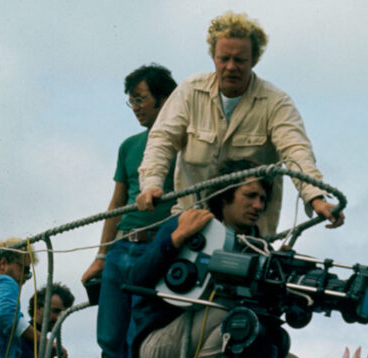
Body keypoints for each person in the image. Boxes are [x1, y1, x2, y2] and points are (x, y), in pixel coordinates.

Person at [97, 159, 303, 358]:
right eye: (250, 196)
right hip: (160, 346)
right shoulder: (189, 221)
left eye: (263, 199)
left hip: (209, 344)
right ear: (226, 194)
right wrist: (175, 239)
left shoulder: (258, 245)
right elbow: (136, 278)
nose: (259, 206)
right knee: (229, 312)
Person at [136, 11, 344, 233]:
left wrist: (315, 198)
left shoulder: (276, 102)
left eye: (240, 60)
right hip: (189, 226)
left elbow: (296, 152)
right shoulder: (189, 91)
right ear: (213, 57)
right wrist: (151, 184)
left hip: (251, 236)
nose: (231, 67)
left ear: (254, 60)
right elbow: (162, 140)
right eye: (224, 59)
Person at [78, 64, 178, 358]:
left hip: (156, 250)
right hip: (121, 249)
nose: (135, 107)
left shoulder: (184, 143)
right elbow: (117, 203)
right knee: (110, 339)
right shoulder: (129, 146)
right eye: (131, 101)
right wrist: (101, 255)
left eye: (141, 99)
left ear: (165, 98)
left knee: (140, 338)